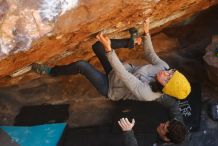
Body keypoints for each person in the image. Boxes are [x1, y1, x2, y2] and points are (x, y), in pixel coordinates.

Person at [32, 18, 190, 143]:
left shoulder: (148, 94)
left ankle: (51, 71)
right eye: (171, 73)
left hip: (110, 87)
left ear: (165, 88)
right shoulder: (164, 68)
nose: (166, 73)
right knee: (97, 47)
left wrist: (110, 49)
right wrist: (146, 33)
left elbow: (124, 76)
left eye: (168, 78)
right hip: (119, 72)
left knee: (82, 65)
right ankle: (130, 42)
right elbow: (151, 55)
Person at [118, 117, 188, 146]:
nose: (161, 124)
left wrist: (128, 133)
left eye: (163, 128)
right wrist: (160, 97)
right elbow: (173, 105)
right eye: (164, 123)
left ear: (167, 138)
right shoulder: (177, 124)